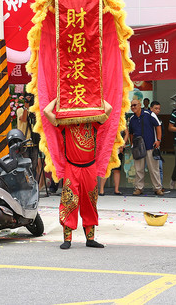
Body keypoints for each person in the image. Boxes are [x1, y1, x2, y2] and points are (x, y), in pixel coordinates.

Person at [43, 97, 112, 250]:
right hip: (72, 167)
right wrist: (60, 97)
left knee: (90, 201)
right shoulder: (66, 124)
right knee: (69, 201)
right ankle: (67, 239)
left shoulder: (93, 122)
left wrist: (92, 94)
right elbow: (47, 111)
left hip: (89, 167)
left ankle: (91, 238)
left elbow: (108, 108)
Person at [128, 99, 164, 196]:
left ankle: (157, 188)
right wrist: (132, 145)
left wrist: (158, 140)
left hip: (150, 146)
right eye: (131, 106)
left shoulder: (149, 114)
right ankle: (139, 188)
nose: (133, 107)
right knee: (139, 169)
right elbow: (131, 133)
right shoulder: (132, 118)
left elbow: (158, 126)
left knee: (154, 169)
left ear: (140, 105)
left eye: (135, 105)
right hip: (138, 148)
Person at [149, 101, 165, 186]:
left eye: (159, 109)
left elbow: (163, 132)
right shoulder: (147, 119)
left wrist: (158, 140)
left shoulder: (160, 120)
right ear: (151, 108)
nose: (157, 110)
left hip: (156, 146)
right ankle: (139, 187)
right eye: (155, 108)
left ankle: (160, 186)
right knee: (142, 168)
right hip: (147, 146)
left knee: (159, 167)